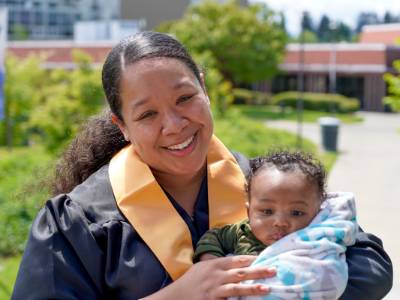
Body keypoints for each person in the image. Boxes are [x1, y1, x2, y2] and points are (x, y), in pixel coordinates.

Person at [12, 31, 392, 300]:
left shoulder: (266, 185)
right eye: (147, 114)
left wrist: (277, 285)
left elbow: (371, 268)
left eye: (185, 98)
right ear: (122, 126)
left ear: (205, 90)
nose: (174, 125)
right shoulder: (79, 221)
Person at [194, 151, 358, 299]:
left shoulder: (317, 240)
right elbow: (213, 237)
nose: (280, 222)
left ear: (317, 212)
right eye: (267, 211)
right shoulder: (242, 232)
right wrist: (210, 261)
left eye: (296, 213)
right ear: (249, 211)